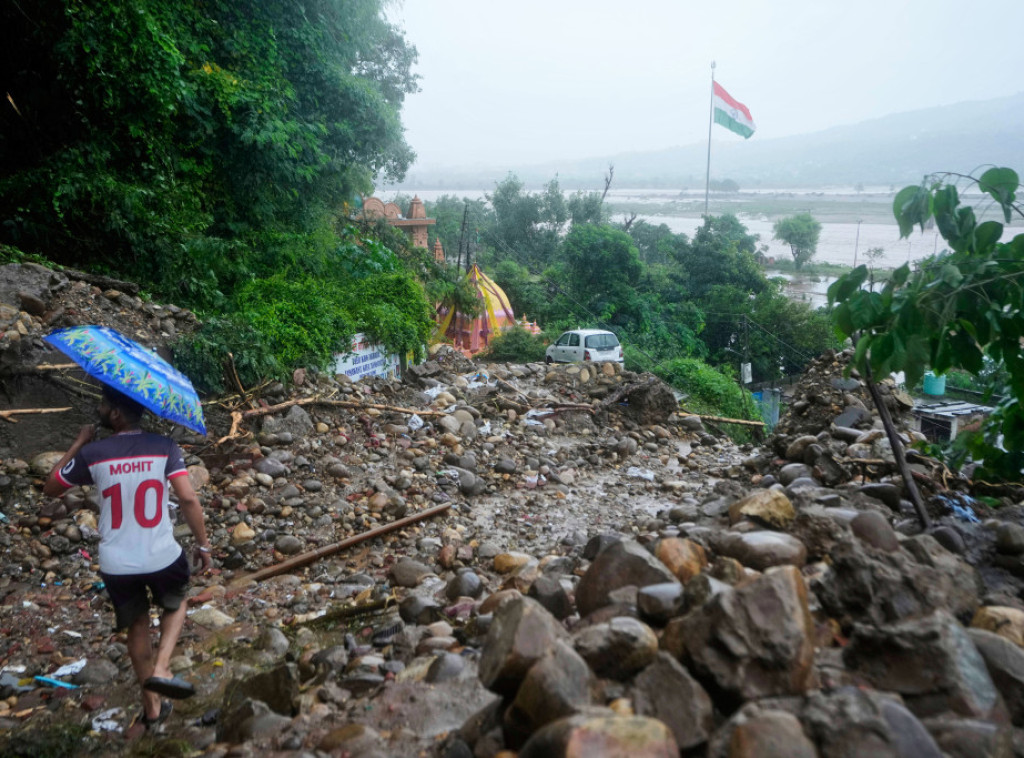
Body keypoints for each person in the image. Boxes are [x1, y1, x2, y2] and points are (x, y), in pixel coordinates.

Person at [43, 384, 213, 729]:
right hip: (161, 556)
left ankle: (152, 710)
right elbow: (188, 500)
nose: (101, 410)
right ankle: (163, 666)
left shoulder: (95, 454)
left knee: (136, 627)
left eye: (105, 406)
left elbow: (51, 487)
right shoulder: (164, 447)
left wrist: (79, 443)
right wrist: (204, 544)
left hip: (117, 564)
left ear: (116, 414)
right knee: (176, 601)